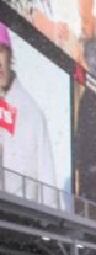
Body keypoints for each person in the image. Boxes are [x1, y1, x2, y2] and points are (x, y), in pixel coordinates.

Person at [0, 22, 57, 206]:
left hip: (20, 225)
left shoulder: (33, 115)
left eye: (1, 51)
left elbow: (49, 191)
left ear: (10, 55)